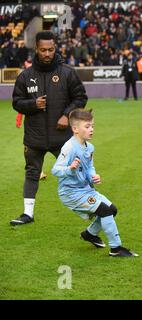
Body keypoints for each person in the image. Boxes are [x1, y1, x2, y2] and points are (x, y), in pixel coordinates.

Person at [11, 31, 88, 226]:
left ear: (55, 49)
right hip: (34, 137)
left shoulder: (67, 73)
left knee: (78, 172)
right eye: (43, 50)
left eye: (51, 50)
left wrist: (66, 115)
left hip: (61, 138)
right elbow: (17, 102)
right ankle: (27, 214)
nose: (47, 53)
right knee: (31, 173)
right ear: (36, 49)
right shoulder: (26, 76)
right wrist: (32, 104)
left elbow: (81, 98)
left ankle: (92, 209)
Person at [52, 109, 138, 257]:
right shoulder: (69, 147)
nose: (91, 129)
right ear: (75, 129)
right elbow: (55, 169)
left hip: (85, 189)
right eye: (87, 126)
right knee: (105, 211)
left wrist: (93, 176)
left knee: (112, 210)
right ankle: (116, 249)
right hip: (71, 193)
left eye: (92, 126)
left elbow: (90, 166)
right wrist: (70, 169)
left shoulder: (89, 147)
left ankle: (89, 234)